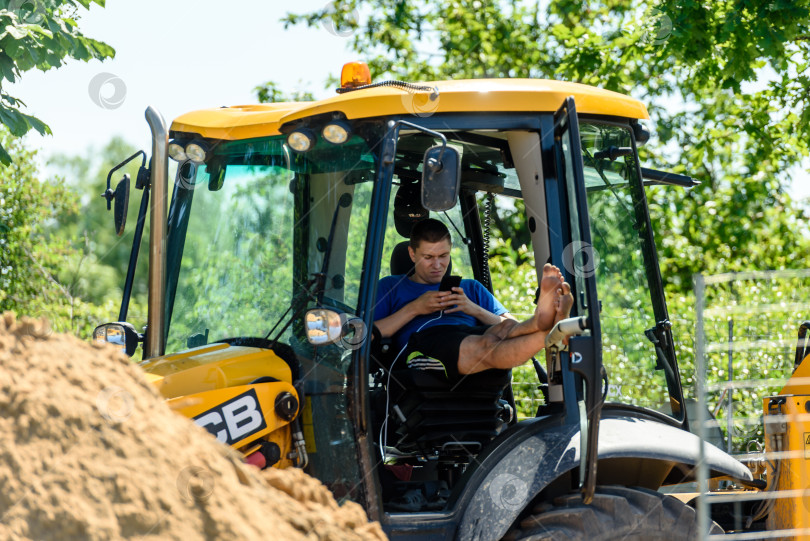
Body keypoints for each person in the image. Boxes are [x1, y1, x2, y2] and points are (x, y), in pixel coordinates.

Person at [374, 218, 572, 380]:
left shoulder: (471, 288)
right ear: (412, 254)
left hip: (470, 333)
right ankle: (552, 332)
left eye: (443, 255)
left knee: (503, 330)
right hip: (423, 346)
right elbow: (368, 334)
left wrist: (472, 308)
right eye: (428, 257)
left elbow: (510, 325)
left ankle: (542, 324)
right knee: (485, 346)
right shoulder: (391, 287)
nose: (437, 265)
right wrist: (415, 308)